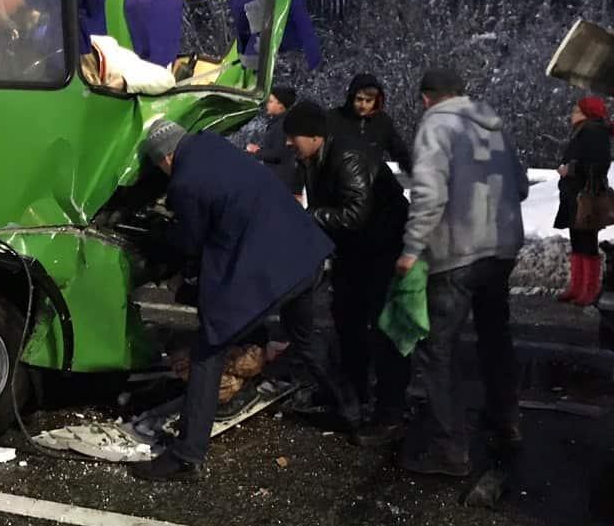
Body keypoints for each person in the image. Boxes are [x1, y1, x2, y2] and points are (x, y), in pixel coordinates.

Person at [129, 120, 362, 481]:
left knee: (209, 349)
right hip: (303, 255)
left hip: (265, 270)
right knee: (310, 340)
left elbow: (189, 243)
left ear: (166, 158)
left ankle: (187, 455)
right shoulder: (215, 146)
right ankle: (352, 413)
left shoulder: (185, 182)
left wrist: (160, 250)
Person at [396, 68, 528, 477]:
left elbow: (429, 194)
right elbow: (521, 186)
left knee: (437, 349)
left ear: (425, 98)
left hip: (458, 252)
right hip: (501, 249)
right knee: (494, 336)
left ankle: (449, 450)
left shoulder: (436, 125)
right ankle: (505, 418)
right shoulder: (493, 124)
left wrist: (412, 247)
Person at [284, 100, 410, 445]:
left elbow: (355, 213)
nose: (287, 143)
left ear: (314, 135)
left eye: (293, 136)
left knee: (381, 331)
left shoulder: (347, 156)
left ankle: (389, 414)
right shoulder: (315, 155)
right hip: (357, 250)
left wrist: (310, 217)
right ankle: (352, 397)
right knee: (346, 320)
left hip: (381, 249)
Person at [554, 96, 614, 307]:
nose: (573, 114)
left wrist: (569, 169)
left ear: (587, 113)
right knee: (577, 238)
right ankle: (578, 285)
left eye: (576, 110)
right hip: (576, 193)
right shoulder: (584, 131)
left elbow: (597, 164)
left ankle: (588, 288)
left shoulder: (593, 132)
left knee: (586, 239)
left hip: (586, 195)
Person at [331, 73, 412, 173]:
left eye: (368, 101)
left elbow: (400, 152)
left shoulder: (382, 123)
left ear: (376, 101)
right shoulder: (335, 118)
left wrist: (416, 173)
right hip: (340, 182)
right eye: (359, 99)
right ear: (352, 98)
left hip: (372, 182)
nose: (363, 105)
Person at [245, 85, 301, 193]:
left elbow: (278, 154)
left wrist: (256, 151)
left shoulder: (283, 125)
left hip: (280, 184)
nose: (267, 104)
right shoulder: (280, 123)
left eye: (271, 101)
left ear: (280, 105)